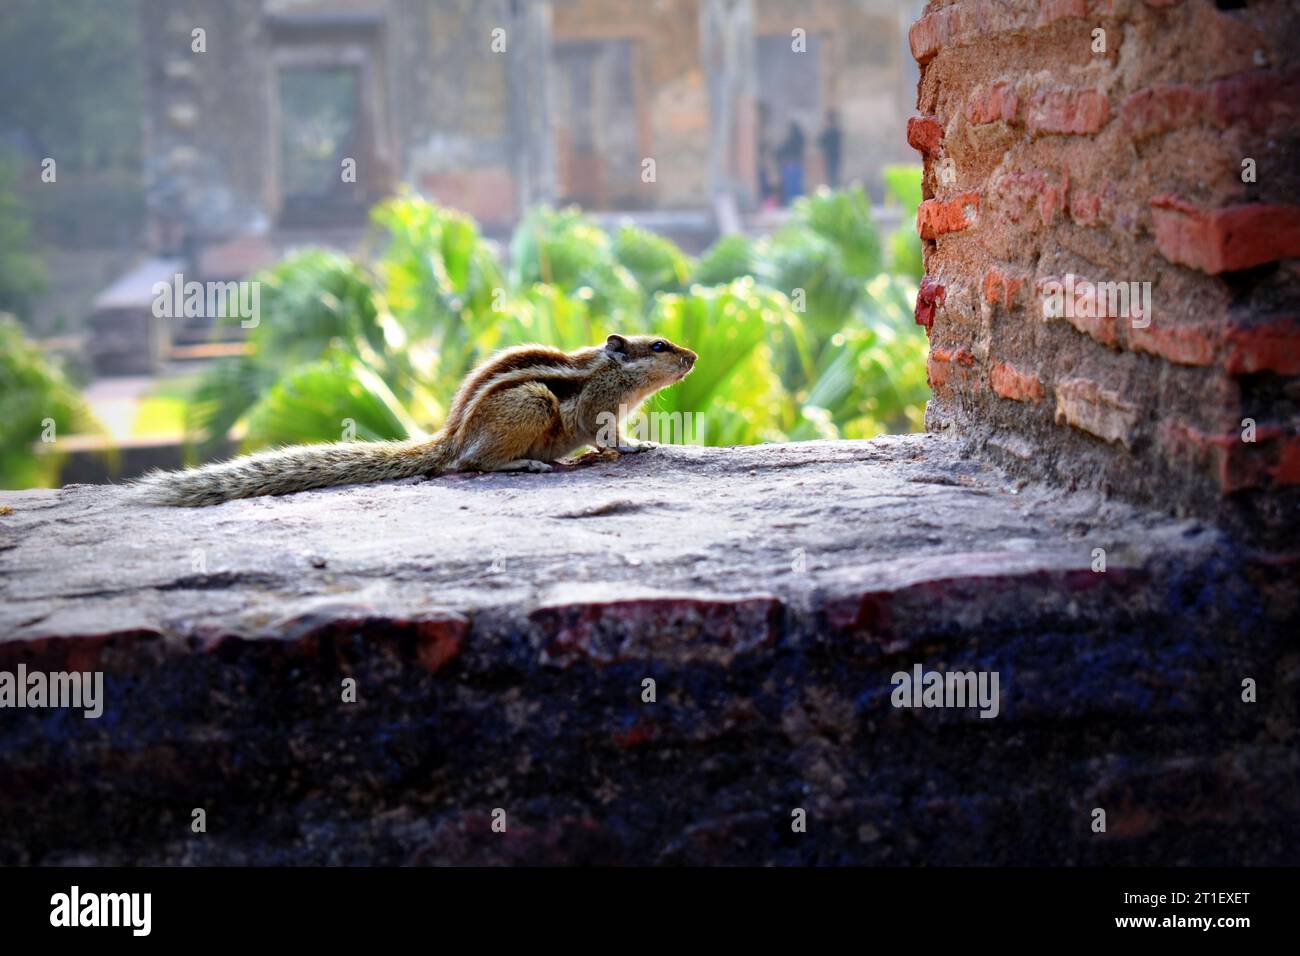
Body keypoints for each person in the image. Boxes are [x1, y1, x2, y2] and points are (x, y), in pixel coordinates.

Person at [775, 120, 806, 205]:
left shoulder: (792, 139)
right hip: (797, 164)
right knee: (796, 186)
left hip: (791, 164)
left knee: (791, 186)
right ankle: (797, 202)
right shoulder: (800, 138)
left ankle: (791, 202)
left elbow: (783, 150)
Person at [818, 109, 843, 189]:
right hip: (831, 156)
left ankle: (834, 189)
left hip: (833, 156)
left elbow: (822, 141)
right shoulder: (834, 131)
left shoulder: (834, 132)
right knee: (831, 176)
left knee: (833, 176)